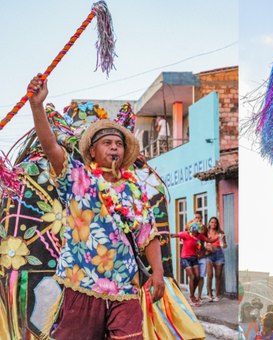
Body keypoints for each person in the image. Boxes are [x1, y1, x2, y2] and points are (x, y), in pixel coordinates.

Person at [28, 74, 165, 339]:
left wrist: (157, 273)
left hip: (125, 287)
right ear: (92, 151)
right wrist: (37, 106)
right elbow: (51, 146)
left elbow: (147, 233)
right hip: (81, 285)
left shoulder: (135, 188)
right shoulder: (78, 177)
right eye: (107, 143)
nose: (114, 148)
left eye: (118, 145)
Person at [170, 221, 216, 307]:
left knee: (198, 277)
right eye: (194, 232)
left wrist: (218, 237)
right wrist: (165, 234)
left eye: (197, 232)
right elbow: (174, 235)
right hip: (185, 258)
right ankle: (191, 297)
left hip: (194, 258)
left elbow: (209, 240)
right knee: (192, 277)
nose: (196, 233)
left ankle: (192, 295)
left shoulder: (200, 236)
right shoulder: (185, 234)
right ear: (191, 230)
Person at [205, 216, 227, 302]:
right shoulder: (206, 232)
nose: (213, 224)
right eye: (212, 222)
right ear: (209, 223)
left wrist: (224, 245)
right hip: (209, 254)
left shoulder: (221, 233)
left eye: (215, 222)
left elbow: (225, 245)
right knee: (209, 275)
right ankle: (209, 294)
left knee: (218, 276)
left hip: (219, 254)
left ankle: (216, 295)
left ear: (217, 224)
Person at [194, 211, 208, 303]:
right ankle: (192, 295)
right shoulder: (190, 227)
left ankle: (199, 296)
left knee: (201, 276)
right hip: (193, 255)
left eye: (199, 218)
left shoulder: (204, 228)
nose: (198, 219)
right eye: (196, 217)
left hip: (202, 255)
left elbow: (206, 238)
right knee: (194, 276)